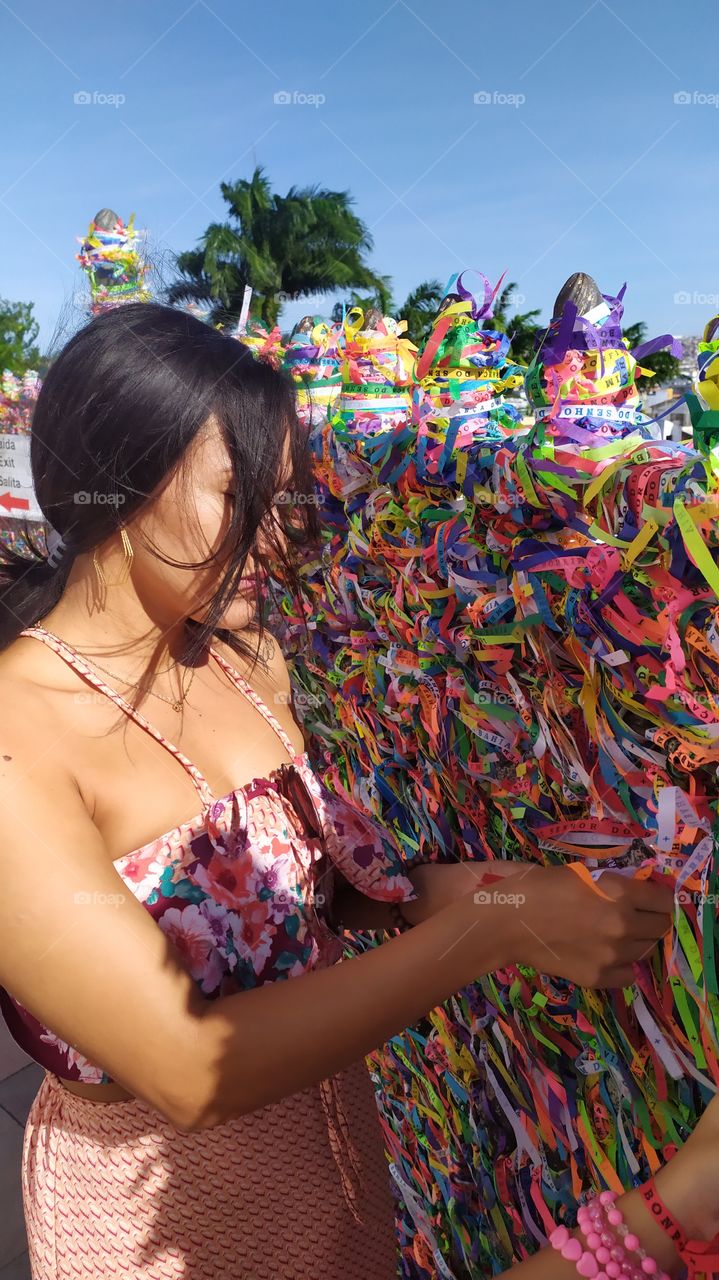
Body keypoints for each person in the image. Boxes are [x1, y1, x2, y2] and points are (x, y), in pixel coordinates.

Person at [0, 302, 702, 1280]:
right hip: (163, 1209)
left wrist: (453, 892)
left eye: (287, 499)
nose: (280, 537)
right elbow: (189, 1063)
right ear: (119, 484)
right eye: (241, 494)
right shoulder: (18, 738)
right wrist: (489, 928)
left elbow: (298, 893)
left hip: (332, 1151)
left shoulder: (244, 659)